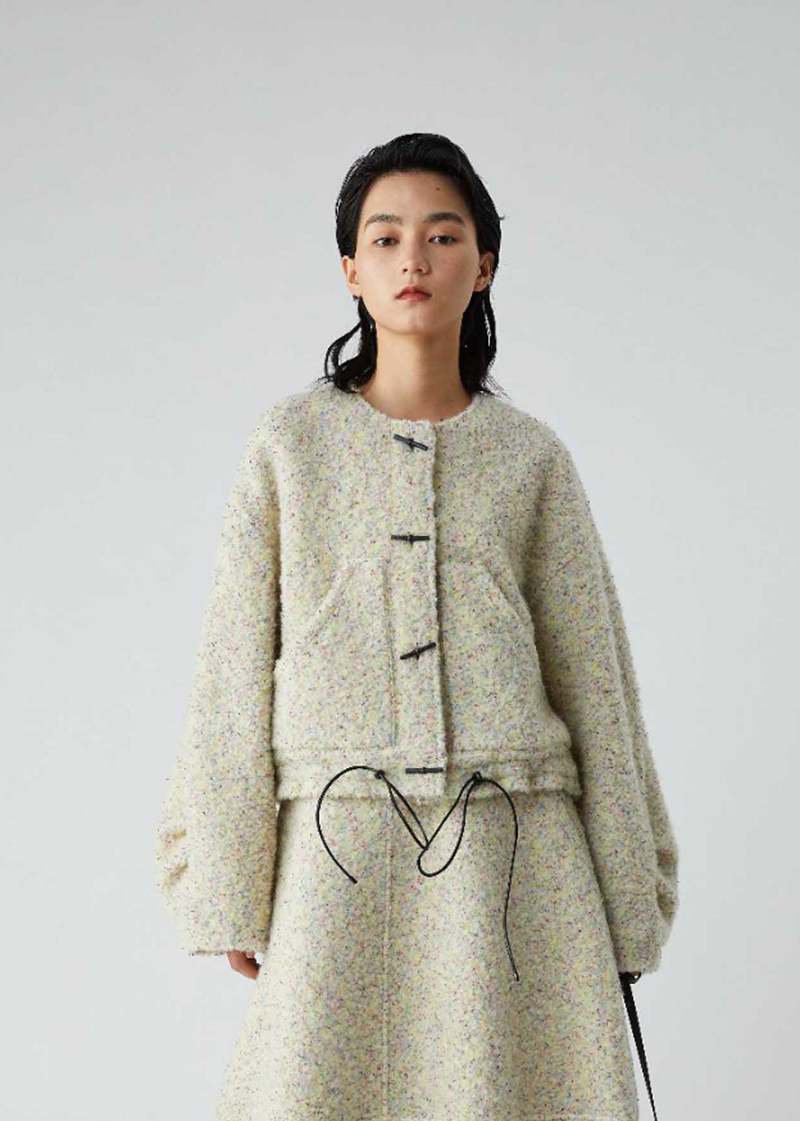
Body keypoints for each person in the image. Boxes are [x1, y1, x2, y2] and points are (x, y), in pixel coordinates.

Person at [154, 131, 679, 1121]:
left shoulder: (531, 457)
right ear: (350, 269)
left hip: (516, 862)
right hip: (337, 854)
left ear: (483, 265)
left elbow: (595, 682)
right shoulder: (288, 446)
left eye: (442, 236)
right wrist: (227, 876)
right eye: (385, 237)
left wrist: (626, 889)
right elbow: (231, 667)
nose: (414, 259)